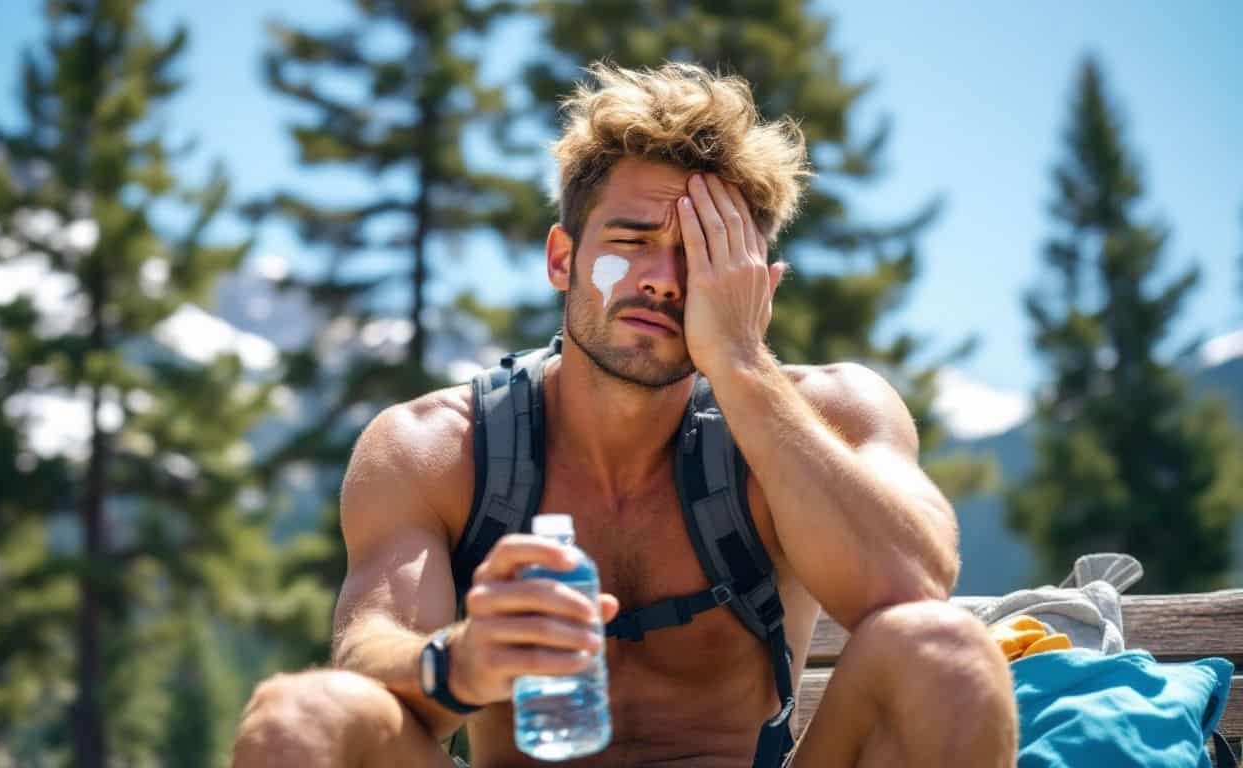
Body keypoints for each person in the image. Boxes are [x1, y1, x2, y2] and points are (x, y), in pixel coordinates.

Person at [231, 62, 1018, 768]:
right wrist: (462, 661)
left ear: (757, 285)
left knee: (941, 649)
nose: (666, 280)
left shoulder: (828, 413)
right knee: (300, 715)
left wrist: (740, 361)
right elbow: (369, 650)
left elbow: (912, 590)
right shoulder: (436, 449)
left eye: (704, 255)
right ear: (562, 259)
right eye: (635, 239)